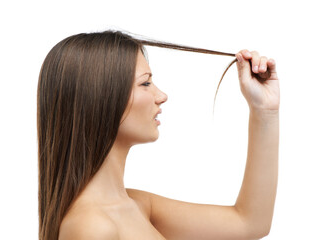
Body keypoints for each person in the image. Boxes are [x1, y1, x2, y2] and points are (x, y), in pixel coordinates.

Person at [37, 30, 280, 240]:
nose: (161, 95)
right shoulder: (91, 227)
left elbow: (250, 222)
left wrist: (264, 111)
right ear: (99, 98)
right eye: (145, 83)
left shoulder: (136, 206)